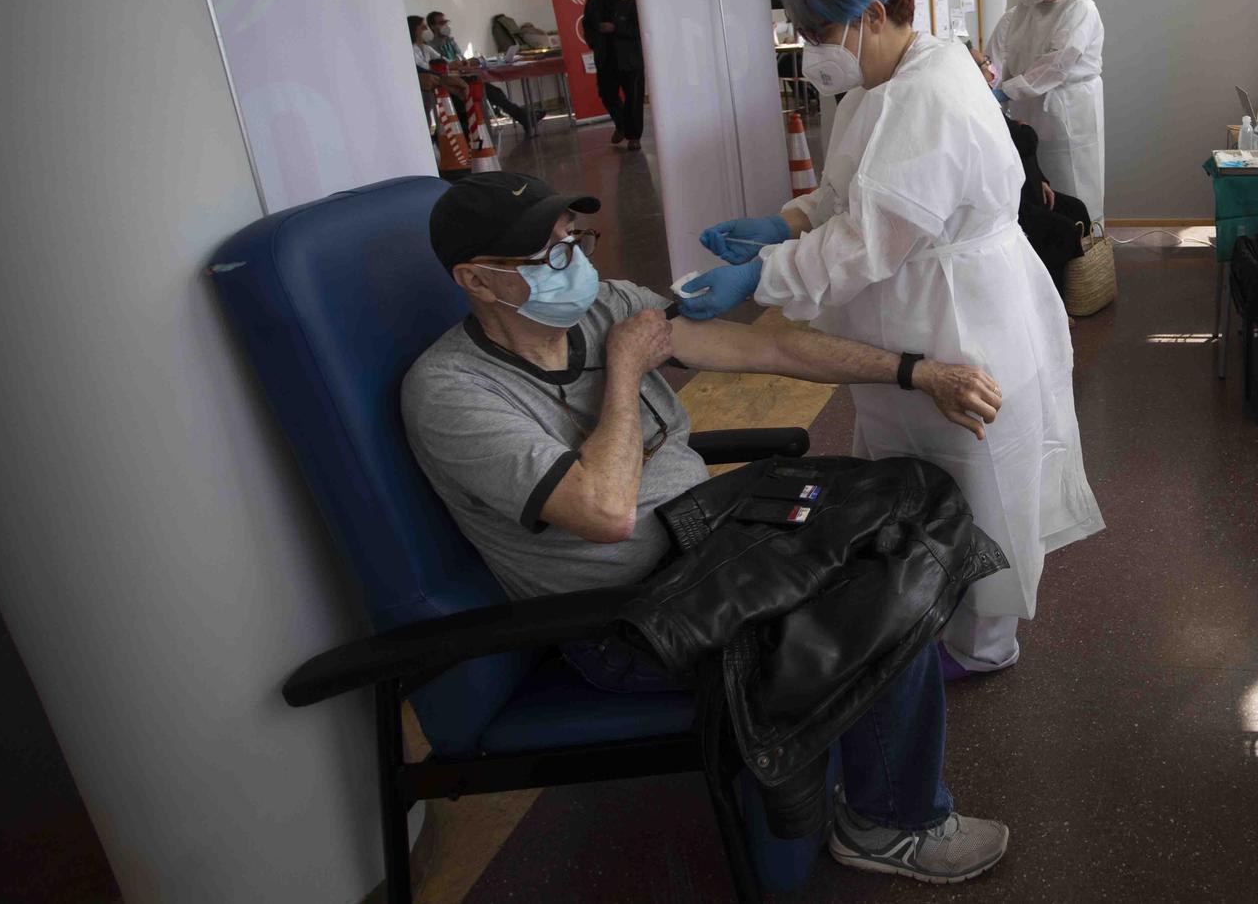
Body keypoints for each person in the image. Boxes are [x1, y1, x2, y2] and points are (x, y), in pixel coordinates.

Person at [402, 171, 1012, 884]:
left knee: (908, 495)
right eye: (545, 255)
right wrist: (625, 373)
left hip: (714, 541)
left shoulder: (607, 306)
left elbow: (774, 351)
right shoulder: (451, 392)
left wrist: (915, 372)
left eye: (571, 238)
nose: (573, 263)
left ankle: (855, 776)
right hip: (634, 619)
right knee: (881, 589)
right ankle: (888, 821)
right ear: (477, 279)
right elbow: (603, 512)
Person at [686, 0, 1105, 677]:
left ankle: (983, 647)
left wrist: (758, 276)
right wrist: (785, 223)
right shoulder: (883, 84)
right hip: (914, 316)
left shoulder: (925, 94)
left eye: (818, 35)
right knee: (914, 480)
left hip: (960, 315)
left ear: (872, 14)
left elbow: (867, 241)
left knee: (979, 487)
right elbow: (852, 194)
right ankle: (928, 614)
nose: (813, 53)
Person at [985, 0, 1106, 223]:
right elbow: (1001, 49)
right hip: (1028, 105)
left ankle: (1084, 248)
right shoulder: (1025, 9)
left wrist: (1006, 91)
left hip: (1068, 107)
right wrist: (990, 84)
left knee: (1072, 180)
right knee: (1035, 177)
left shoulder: (1079, 9)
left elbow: (1058, 62)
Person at [975, 46, 1088, 291]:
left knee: (1077, 209)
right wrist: (1022, 130)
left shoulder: (989, 104)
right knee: (1062, 230)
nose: (990, 67)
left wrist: (1042, 180)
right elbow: (1022, 142)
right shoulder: (977, 109)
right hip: (1014, 203)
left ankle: (1082, 286)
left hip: (1033, 189)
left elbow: (1024, 148)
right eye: (984, 64)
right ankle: (1054, 301)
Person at [427, 9, 540, 137]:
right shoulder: (431, 46)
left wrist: (470, 61)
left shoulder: (450, 41)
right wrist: (456, 65)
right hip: (452, 85)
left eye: (446, 22)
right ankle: (526, 117)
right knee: (492, 93)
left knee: (495, 92)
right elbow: (442, 65)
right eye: (441, 23)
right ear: (432, 27)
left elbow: (460, 59)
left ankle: (525, 117)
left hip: (465, 78)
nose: (445, 26)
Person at [581, 0, 644, 150]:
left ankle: (634, 137)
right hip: (605, 57)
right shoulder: (593, 0)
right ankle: (622, 125)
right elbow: (587, 26)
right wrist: (594, 42)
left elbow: (639, 28)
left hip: (629, 59)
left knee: (634, 98)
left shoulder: (630, 0)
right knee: (607, 95)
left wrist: (616, 28)